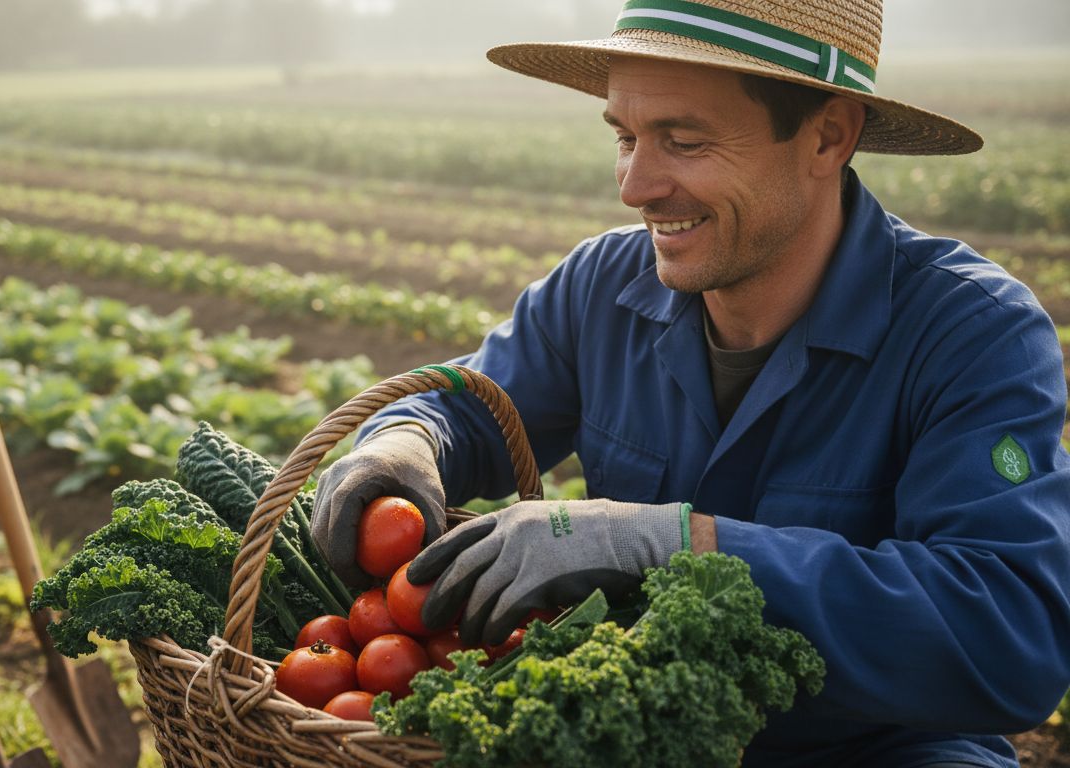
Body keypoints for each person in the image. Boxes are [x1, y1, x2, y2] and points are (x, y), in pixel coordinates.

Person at [308, 0, 1070, 765]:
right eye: (625, 137)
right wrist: (407, 437)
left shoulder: (971, 333)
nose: (635, 186)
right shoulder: (601, 287)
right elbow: (473, 408)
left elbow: (1011, 636)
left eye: (685, 141)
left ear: (828, 136)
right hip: (634, 733)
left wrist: (675, 545)